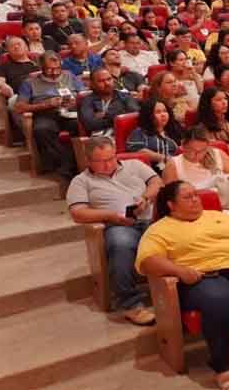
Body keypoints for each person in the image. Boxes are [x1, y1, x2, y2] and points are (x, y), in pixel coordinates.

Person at [136, 180, 229, 390]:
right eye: (188, 197)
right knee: (221, 300)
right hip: (198, 278)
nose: (195, 200)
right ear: (171, 205)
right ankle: (221, 365)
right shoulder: (158, 229)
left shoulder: (216, 215)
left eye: (196, 195)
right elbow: (148, 261)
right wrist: (180, 271)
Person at [67, 136, 162, 326]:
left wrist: (145, 198)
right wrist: (111, 216)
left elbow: (156, 182)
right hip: (118, 225)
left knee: (180, 235)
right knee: (121, 244)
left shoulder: (134, 165)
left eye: (111, 158)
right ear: (88, 161)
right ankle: (130, 304)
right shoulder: (81, 181)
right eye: (101, 161)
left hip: (151, 220)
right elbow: (78, 213)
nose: (108, 164)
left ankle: (180, 291)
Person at [15, 51, 83, 181]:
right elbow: (19, 107)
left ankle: (68, 165)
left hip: (70, 113)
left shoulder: (70, 76)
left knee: (81, 125)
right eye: (50, 69)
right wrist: (45, 105)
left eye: (57, 68)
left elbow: (83, 94)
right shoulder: (30, 82)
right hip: (45, 114)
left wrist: (76, 101)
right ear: (41, 68)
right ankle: (68, 165)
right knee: (42, 130)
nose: (55, 72)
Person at [162, 126, 229, 189]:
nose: (195, 155)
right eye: (191, 150)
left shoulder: (218, 155)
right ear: (183, 146)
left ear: (208, 147)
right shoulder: (173, 165)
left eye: (201, 151)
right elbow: (169, 197)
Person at [79, 67, 140, 137]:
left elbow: (134, 115)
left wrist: (106, 115)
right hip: (97, 141)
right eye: (101, 81)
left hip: (123, 136)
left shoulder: (125, 97)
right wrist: (118, 116)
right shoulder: (87, 101)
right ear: (93, 84)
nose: (107, 83)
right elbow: (89, 124)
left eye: (109, 79)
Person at [126, 98, 180, 171]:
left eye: (165, 111)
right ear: (149, 115)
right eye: (158, 112)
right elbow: (139, 151)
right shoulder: (140, 132)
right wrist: (165, 159)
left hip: (174, 168)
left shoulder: (173, 130)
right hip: (149, 170)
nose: (163, 115)